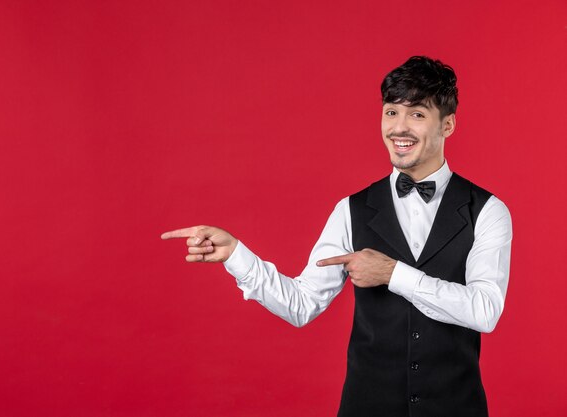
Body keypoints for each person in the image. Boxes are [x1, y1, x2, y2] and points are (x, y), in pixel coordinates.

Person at [162, 56, 512, 417]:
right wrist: (236, 254)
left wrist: (393, 274)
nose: (399, 128)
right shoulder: (352, 209)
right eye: (391, 112)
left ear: (448, 125)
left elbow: (485, 310)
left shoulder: (487, 210)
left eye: (418, 114)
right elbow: (301, 304)